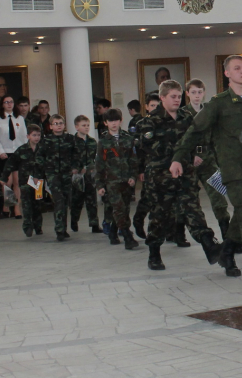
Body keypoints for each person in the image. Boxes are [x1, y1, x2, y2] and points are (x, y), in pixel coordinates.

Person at [171, 55, 242, 284]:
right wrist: (178, 158)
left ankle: (226, 251)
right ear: (227, 74)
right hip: (231, 168)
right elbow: (195, 130)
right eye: (236, 68)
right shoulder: (218, 103)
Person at [139, 81, 223, 270]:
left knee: (194, 211)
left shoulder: (187, 117)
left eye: (179, 96)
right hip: (161, 179)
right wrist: (181, 151)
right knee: (160, 216)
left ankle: (211, 247)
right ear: (162, 98)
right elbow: (152, 148)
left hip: (186, 175)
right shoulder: (150, 122)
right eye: (173, 97)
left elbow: (200, 138)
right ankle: (154, 253)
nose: (177, 100)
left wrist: (197, 154)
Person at [181, 79, 230, 239]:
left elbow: (216, 136)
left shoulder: (209, 111)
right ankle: (178, 231)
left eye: (200, 92)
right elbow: (181, 140)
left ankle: (227, 235)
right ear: (187, 93)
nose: (197, 96)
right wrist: (190, 155)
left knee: (218, 197)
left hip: (208, 160)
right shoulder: (183, 114)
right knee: (188, 198)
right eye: (193, 92)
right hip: (189, 162)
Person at [95, 109, 139, 249]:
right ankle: (127, 236)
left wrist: (133, 176)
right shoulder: (103, 142)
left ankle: (113, 232)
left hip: (126, 180)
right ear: (106, 123)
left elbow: (133, 160)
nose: (114, 123)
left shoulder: (128, 138)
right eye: (110, 121)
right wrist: (99, 184)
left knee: (124, 209)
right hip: (111, 181)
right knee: (119, 208)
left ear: (121, 121)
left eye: (116, 120)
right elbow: (99, 164)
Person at [0, 124, 44, 237]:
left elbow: (48, 164)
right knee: (26, 205)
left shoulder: (43, 150)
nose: (37, 137)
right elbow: (11, 163)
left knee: (37, 205)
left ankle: (38, 226)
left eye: (38, 135)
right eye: (34, 135)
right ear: (28, 136)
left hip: (38, 182)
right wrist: (4, 177)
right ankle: (28, 227)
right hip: (25, 182)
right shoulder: (22, 150)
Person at [132, 94, 162, 238]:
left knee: (165, 198)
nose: (155, 109)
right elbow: (139, 150)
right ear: (146, 107)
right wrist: (141, 170)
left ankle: (169, 231)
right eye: (152, 106)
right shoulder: (142, 124)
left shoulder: (165, 122)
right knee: (148, 197)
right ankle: (139, 220)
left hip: (164, 167)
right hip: (149, 166)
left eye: (157, 105)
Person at [0, 95, 27, 219]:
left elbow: (23, 137)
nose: (9, 104)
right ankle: (7, 205)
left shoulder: (20, 119)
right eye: (6, 102)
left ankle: (17, 208)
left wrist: (24, 152)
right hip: (5, 153)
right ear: (2, 104)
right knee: (8, 181)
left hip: (17, 152)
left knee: (17, 181)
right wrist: (0, 151)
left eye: (11, 102)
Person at [41, 114, 74, 241]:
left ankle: (63, 228)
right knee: (59, 199)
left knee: (65, 200)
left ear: (64, 125)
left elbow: (76, 154)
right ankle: (59, 229)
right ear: (51, 126)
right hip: (52, 174)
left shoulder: (70, 139)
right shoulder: (46, 140)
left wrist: (75, 167)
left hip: (66, 174)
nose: (59, 125)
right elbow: (40, 157)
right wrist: (42, 173)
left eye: (60, 123)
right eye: (56, 123)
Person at [71, 115, 102, 234]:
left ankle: (94, 224)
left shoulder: (92, 142)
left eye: (88, 125)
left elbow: (94, 158)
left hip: (89, 174)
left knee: (92, 200)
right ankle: (74, 220)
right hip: (77, 175)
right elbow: (70, 158)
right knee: (77, 200)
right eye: (83, 125)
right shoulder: (72, 142)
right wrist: (75, 168)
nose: (86, 128)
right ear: (77, 127)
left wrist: (91, 168)